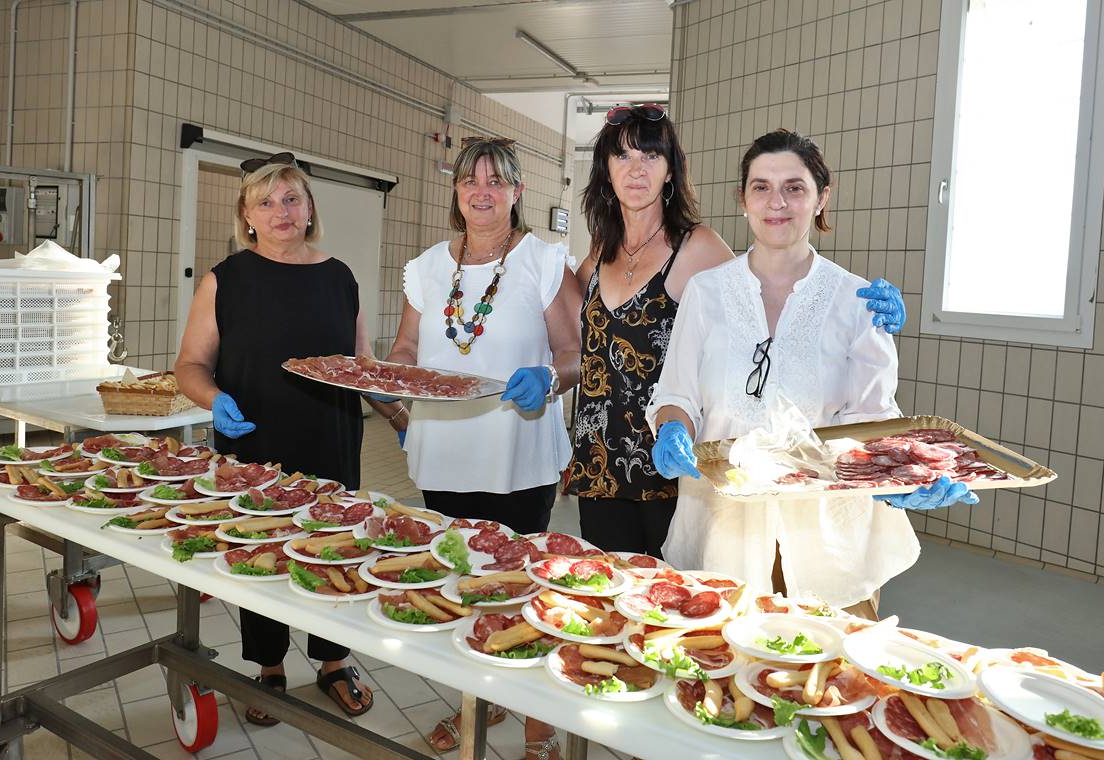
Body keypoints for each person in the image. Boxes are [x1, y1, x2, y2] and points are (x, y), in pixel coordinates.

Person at [646, 129, 974, 619]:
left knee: (833, 661)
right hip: (724, 535)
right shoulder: (706, 292)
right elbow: (678, 393)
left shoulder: (857, 301)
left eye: (794, 187)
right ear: (742, 200)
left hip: (829, 542)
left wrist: (902, 476)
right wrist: (673, 427)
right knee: (720, 655)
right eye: (761, 187)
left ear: (822, 197)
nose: (776, 202)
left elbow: (872, 417)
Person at [567, 106, 908, 560]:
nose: (776, 202)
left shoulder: (700, 253)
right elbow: (575, 319)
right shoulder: (608, 253)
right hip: (610, 460)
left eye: (650, 156)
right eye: (622, 156)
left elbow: (756, 298)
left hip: (715, 485)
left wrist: (900, 467)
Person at [174, 153, 405, 726]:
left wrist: (400, 416)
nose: (280, 211)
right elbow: (190, 364)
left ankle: (332, 661)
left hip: (331, 441)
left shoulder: (340, 277)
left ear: (309, 209)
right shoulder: (225, 279)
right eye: (266, 202)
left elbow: (361, 365)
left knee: (335, 549)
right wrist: (213, 399)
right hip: (255, 442)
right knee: (263, 548)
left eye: (291, 198)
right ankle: (268, 666)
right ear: (247, 216)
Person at [384, 137, 580, 759]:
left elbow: (574, 352)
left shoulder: (543, 261)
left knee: (522, 584)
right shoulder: (426, 269)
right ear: (456, 189)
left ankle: (539, 723)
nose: (482, 191)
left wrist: (549, 378)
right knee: (462, 580)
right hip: (444, 452)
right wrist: (392, 380)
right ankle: (478, 700)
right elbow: (406, 350)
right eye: (471, 179)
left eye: (497, 181)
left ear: (518, 192)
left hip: (517, 451)